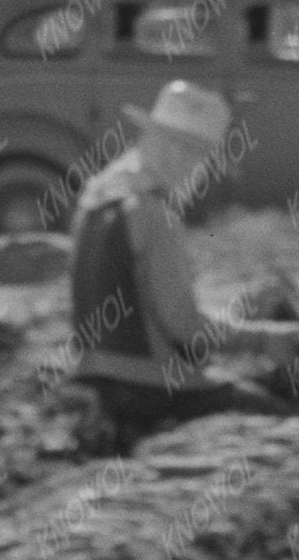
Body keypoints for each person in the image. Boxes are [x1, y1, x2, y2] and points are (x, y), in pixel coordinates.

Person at [68, 86, 244, 446]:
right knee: (281, 411)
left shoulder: (96, 194)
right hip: (149, 384)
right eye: (182, 149)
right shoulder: (154, 211)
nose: (182, 161)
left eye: (191, 153)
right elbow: (183, 325)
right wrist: (260, 339)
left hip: (98, 382)